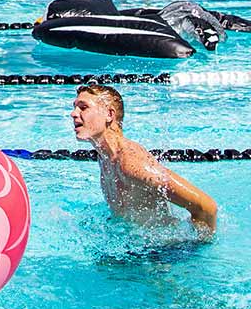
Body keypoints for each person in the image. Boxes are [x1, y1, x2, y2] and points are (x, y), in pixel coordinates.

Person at [71, 81, 217, 235]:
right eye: (74, 107)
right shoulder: (105, 157)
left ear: (109, 115)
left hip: (165, 247)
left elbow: (206, 207)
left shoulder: (131, 163)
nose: (73, 114)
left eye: (83, 107)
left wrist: (199, 244)